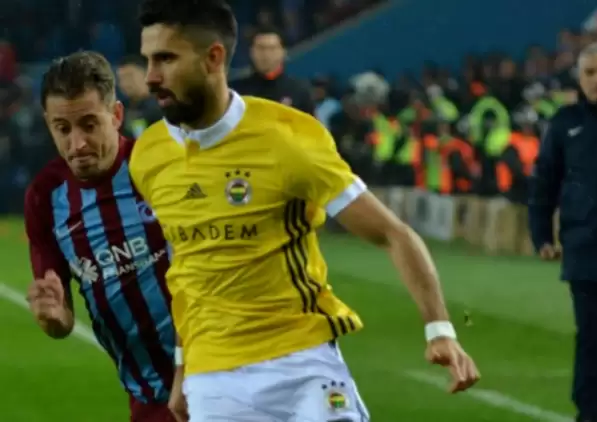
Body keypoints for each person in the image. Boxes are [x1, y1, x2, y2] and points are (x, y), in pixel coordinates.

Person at [134, 0, 480, 420]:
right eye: (148, 60)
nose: (151, 76)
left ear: (214, 58)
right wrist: (182, 369)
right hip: (212, 377)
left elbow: (392, 233)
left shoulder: (288, 138)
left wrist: (440, 330)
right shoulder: (149, 156)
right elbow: (187, 271)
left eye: (166, 59)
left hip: (303, 362)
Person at [23, 51, 183, 422]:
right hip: (148, 399)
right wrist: (52, 317)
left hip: (217, 377)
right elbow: (62, 318)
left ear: (116, 115)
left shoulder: (161, 166)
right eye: (63, 128)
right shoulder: (46, 196)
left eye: (89, 124)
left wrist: (187, 370)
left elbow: (209, 279)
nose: (77, 143)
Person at [529, 42, 597, 422]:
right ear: (579, 78)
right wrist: (541, 236)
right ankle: (588, 414)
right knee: (590, 337)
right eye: (590, 73)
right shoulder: (564, 123)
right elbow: (544, 182)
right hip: (585, 246)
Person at [230, 25, 314, 114]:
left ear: (283, 52)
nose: (266, 54)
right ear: (251, 52)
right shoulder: (235, 92)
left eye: (272, 48)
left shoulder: (298, 91)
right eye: (261, 48)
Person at [117, 55, 162, 139]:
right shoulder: (121, 108)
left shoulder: (161, 107)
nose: (124, 83)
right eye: (121, 79)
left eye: (129, 76)